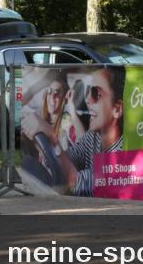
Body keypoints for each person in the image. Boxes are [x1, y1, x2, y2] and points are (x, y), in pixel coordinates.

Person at [22, 66, 124, 196]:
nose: (87, 100)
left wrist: (53, 140)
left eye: (96, 94)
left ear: (117, 110)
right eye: (87, 92)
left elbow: (76, 183)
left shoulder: (122, 154)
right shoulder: (93, 137)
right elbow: (70, 158)